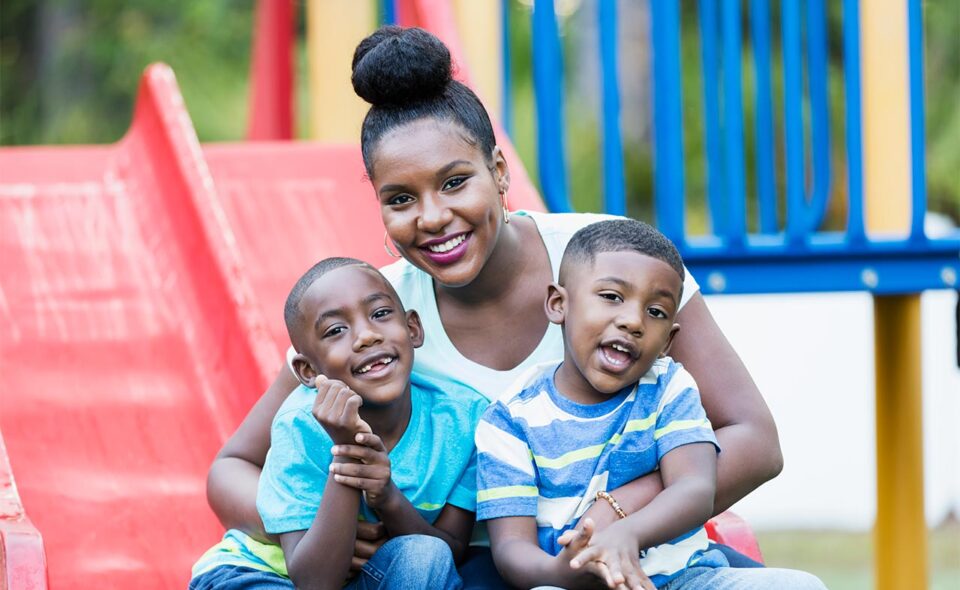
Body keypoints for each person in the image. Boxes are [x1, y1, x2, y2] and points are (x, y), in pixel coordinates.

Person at [205, 25, 784, 586]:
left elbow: (754, 440)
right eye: (401, 199)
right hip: (464, 569)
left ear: (499, 172)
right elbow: (232, 470)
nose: (431, 217)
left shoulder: (608, 262)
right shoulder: (374, 316)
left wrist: (622, 507)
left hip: (629, 551)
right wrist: (315, 525)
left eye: (455, 183)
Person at [475, 220, 826, 590]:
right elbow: (511, 547)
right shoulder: (510, 419)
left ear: (668, 341)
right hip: (573, 584)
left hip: (682, 578)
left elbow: (694, 488)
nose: (632, 321)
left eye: (656, 311)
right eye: (611, 296)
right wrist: (564, 570)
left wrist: (629, 532)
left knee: (798, 584)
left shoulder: (669, 389)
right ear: (558, 303)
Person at [190, 257, 487, 589]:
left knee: (426, 555)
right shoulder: (299, 426)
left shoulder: (464, 419)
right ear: (307, 372)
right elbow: (314, 581)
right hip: (261, 574)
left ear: (413, 328)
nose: (366, 336)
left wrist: (387, 497)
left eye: (380, 314)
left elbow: (450, 550)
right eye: (335, 331)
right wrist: (347, 455)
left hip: (376, 574)